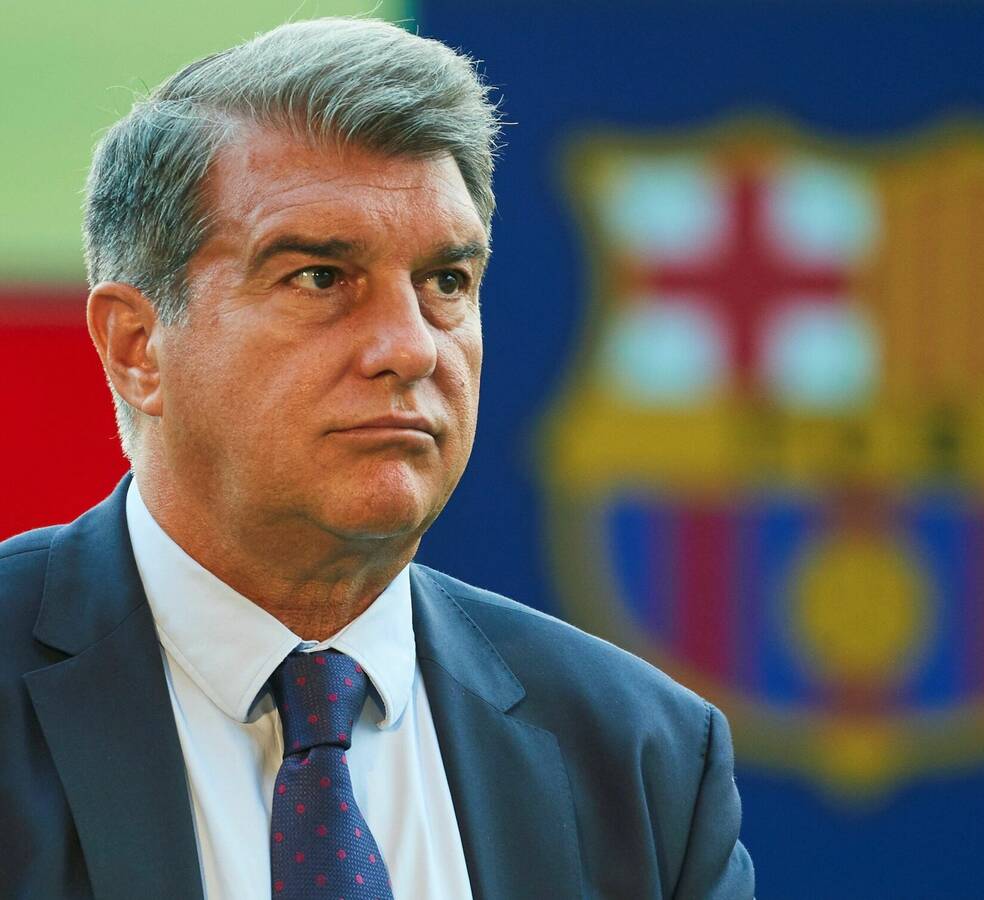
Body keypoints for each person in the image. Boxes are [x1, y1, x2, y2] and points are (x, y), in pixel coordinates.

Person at [0, 17, 754, 900]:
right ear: (137, 346)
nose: (411, 347)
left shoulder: (643, 757)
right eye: (321, 277)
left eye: (446, 282)